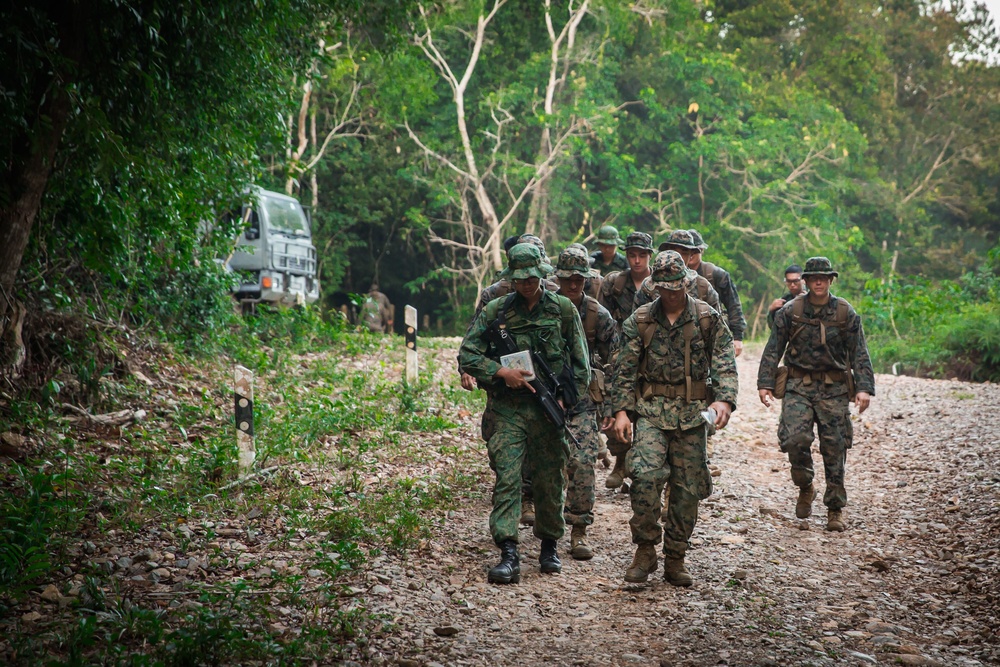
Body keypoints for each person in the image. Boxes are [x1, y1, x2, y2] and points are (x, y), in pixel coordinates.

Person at [459, 243, 590, 584]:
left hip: (548, 411)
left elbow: (581, 366)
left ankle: (549, 545)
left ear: (541, 275)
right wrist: (502, 373)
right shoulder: (496, 311)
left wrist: (566, 401)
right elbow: (468, 354)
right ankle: (508, 551)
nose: (526, 285)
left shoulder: (562, 310)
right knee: (508, 477)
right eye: (520, 279)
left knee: (550, 480)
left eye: (531, 278)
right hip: (508, 410)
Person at [609, 251, 738, 585]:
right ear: (656, 288)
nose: (671, 294)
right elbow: (622, 370)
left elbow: (724, 361)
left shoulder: (707, 318)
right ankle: (645, 549)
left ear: (687, 284)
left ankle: (676, 556)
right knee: (645, 476)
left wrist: (724, 400)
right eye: (664, 289)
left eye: (676, 288)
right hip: (651, 412)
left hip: (693, 414)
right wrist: (622, 412)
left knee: (687, 488)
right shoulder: (639, 320)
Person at [757, 257, 875, 532]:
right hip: (798, 385)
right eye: (813, 278)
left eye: (824, 277)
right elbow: (773, 347)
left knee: (835, 447)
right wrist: (764, 383)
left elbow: (860, 352)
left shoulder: (846, 312)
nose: (819, 282)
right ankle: (805, 485)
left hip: (834, 389)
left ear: (831, 280)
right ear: (806, 281)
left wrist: (864, 387)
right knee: (794, 439)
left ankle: (835, 509)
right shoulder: (791, 311)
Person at [553, 246, 620, 560]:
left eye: (580, 278)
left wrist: (611, 407)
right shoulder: (543, 310)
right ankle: (547, 528)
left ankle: (578, 530)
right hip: (544, 400)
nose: (574, 284)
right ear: (558, 278)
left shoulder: (597, 315)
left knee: (581, 463)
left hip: (583, 402)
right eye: (568, 278)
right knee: (547, 466)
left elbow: (617, 362)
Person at [598, 231, 655, 489]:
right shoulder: (613, 284)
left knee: (646, 410)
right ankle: (620, 461)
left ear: (649, 256)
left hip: (652, 354)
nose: (636, 261)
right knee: (614, 405)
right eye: (632, 255)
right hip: (619, 353)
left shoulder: (660, 283)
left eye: (642, 255)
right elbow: (601, 320)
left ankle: (641, 464)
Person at [661, 229, 747, 357]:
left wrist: (737, 337)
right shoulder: (662, 277)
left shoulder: (715, 275)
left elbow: (733, 305)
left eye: (694, 251)